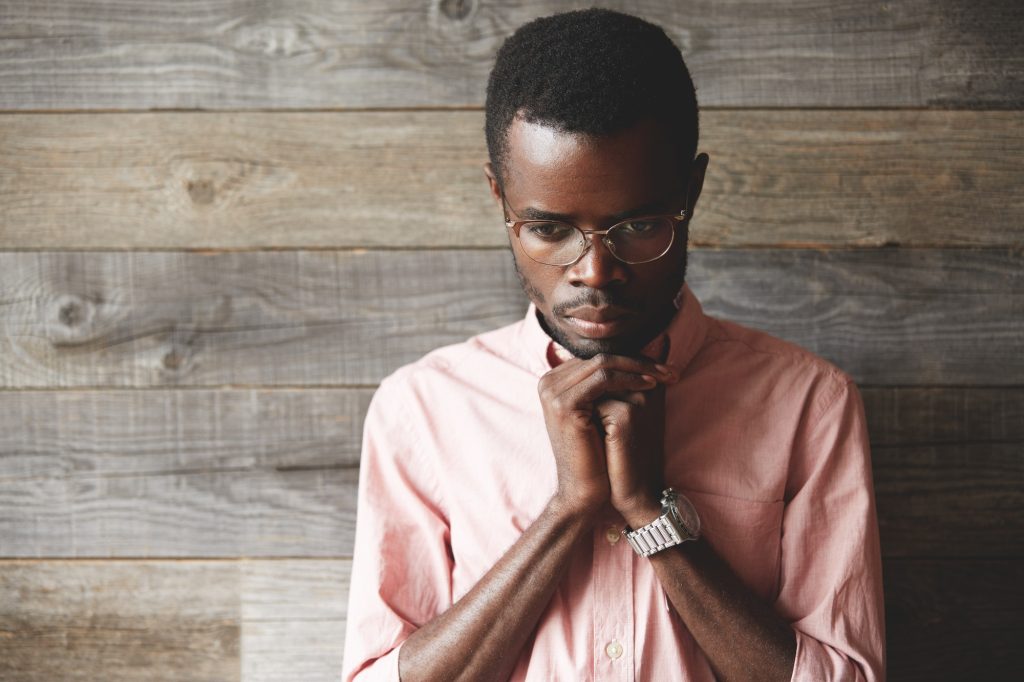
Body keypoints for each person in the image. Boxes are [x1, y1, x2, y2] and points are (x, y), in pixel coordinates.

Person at [342, 8, 884, 681]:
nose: (595, 273)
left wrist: (650, 513)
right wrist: (569, 510)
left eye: (639, 226)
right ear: (499, 198)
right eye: (548, 229)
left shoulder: (809, 404)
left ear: (691, 193)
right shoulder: (421, 410)